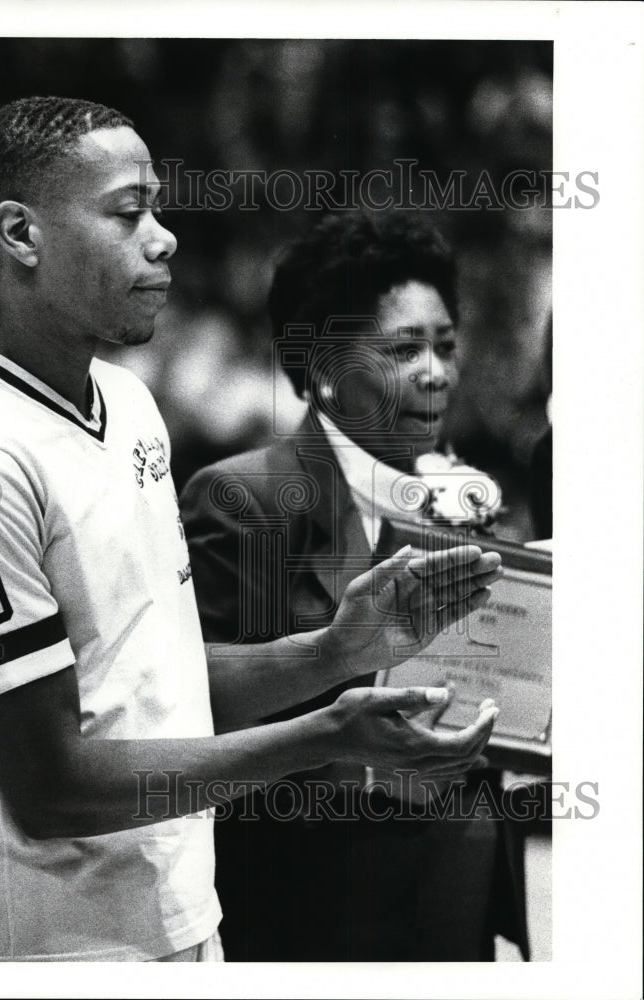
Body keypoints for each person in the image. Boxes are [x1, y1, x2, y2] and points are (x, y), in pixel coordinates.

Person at [0, 98, 501, 962]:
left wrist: (333, 651)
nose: (164, 237)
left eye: (159, 208)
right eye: (127, 211)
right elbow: (52, 786)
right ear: (22, 234)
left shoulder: (131, 404)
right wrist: (324, 734)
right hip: (38, 951)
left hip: (180, 920)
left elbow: (154, 681)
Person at [180, 210, 529, 961]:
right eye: (405, 349)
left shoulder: (469, 496)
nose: (436, 372)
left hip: (455, 883)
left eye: (445, 345)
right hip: (309, 894)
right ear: (327, 369)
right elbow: (194, 706)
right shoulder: (249, 498)